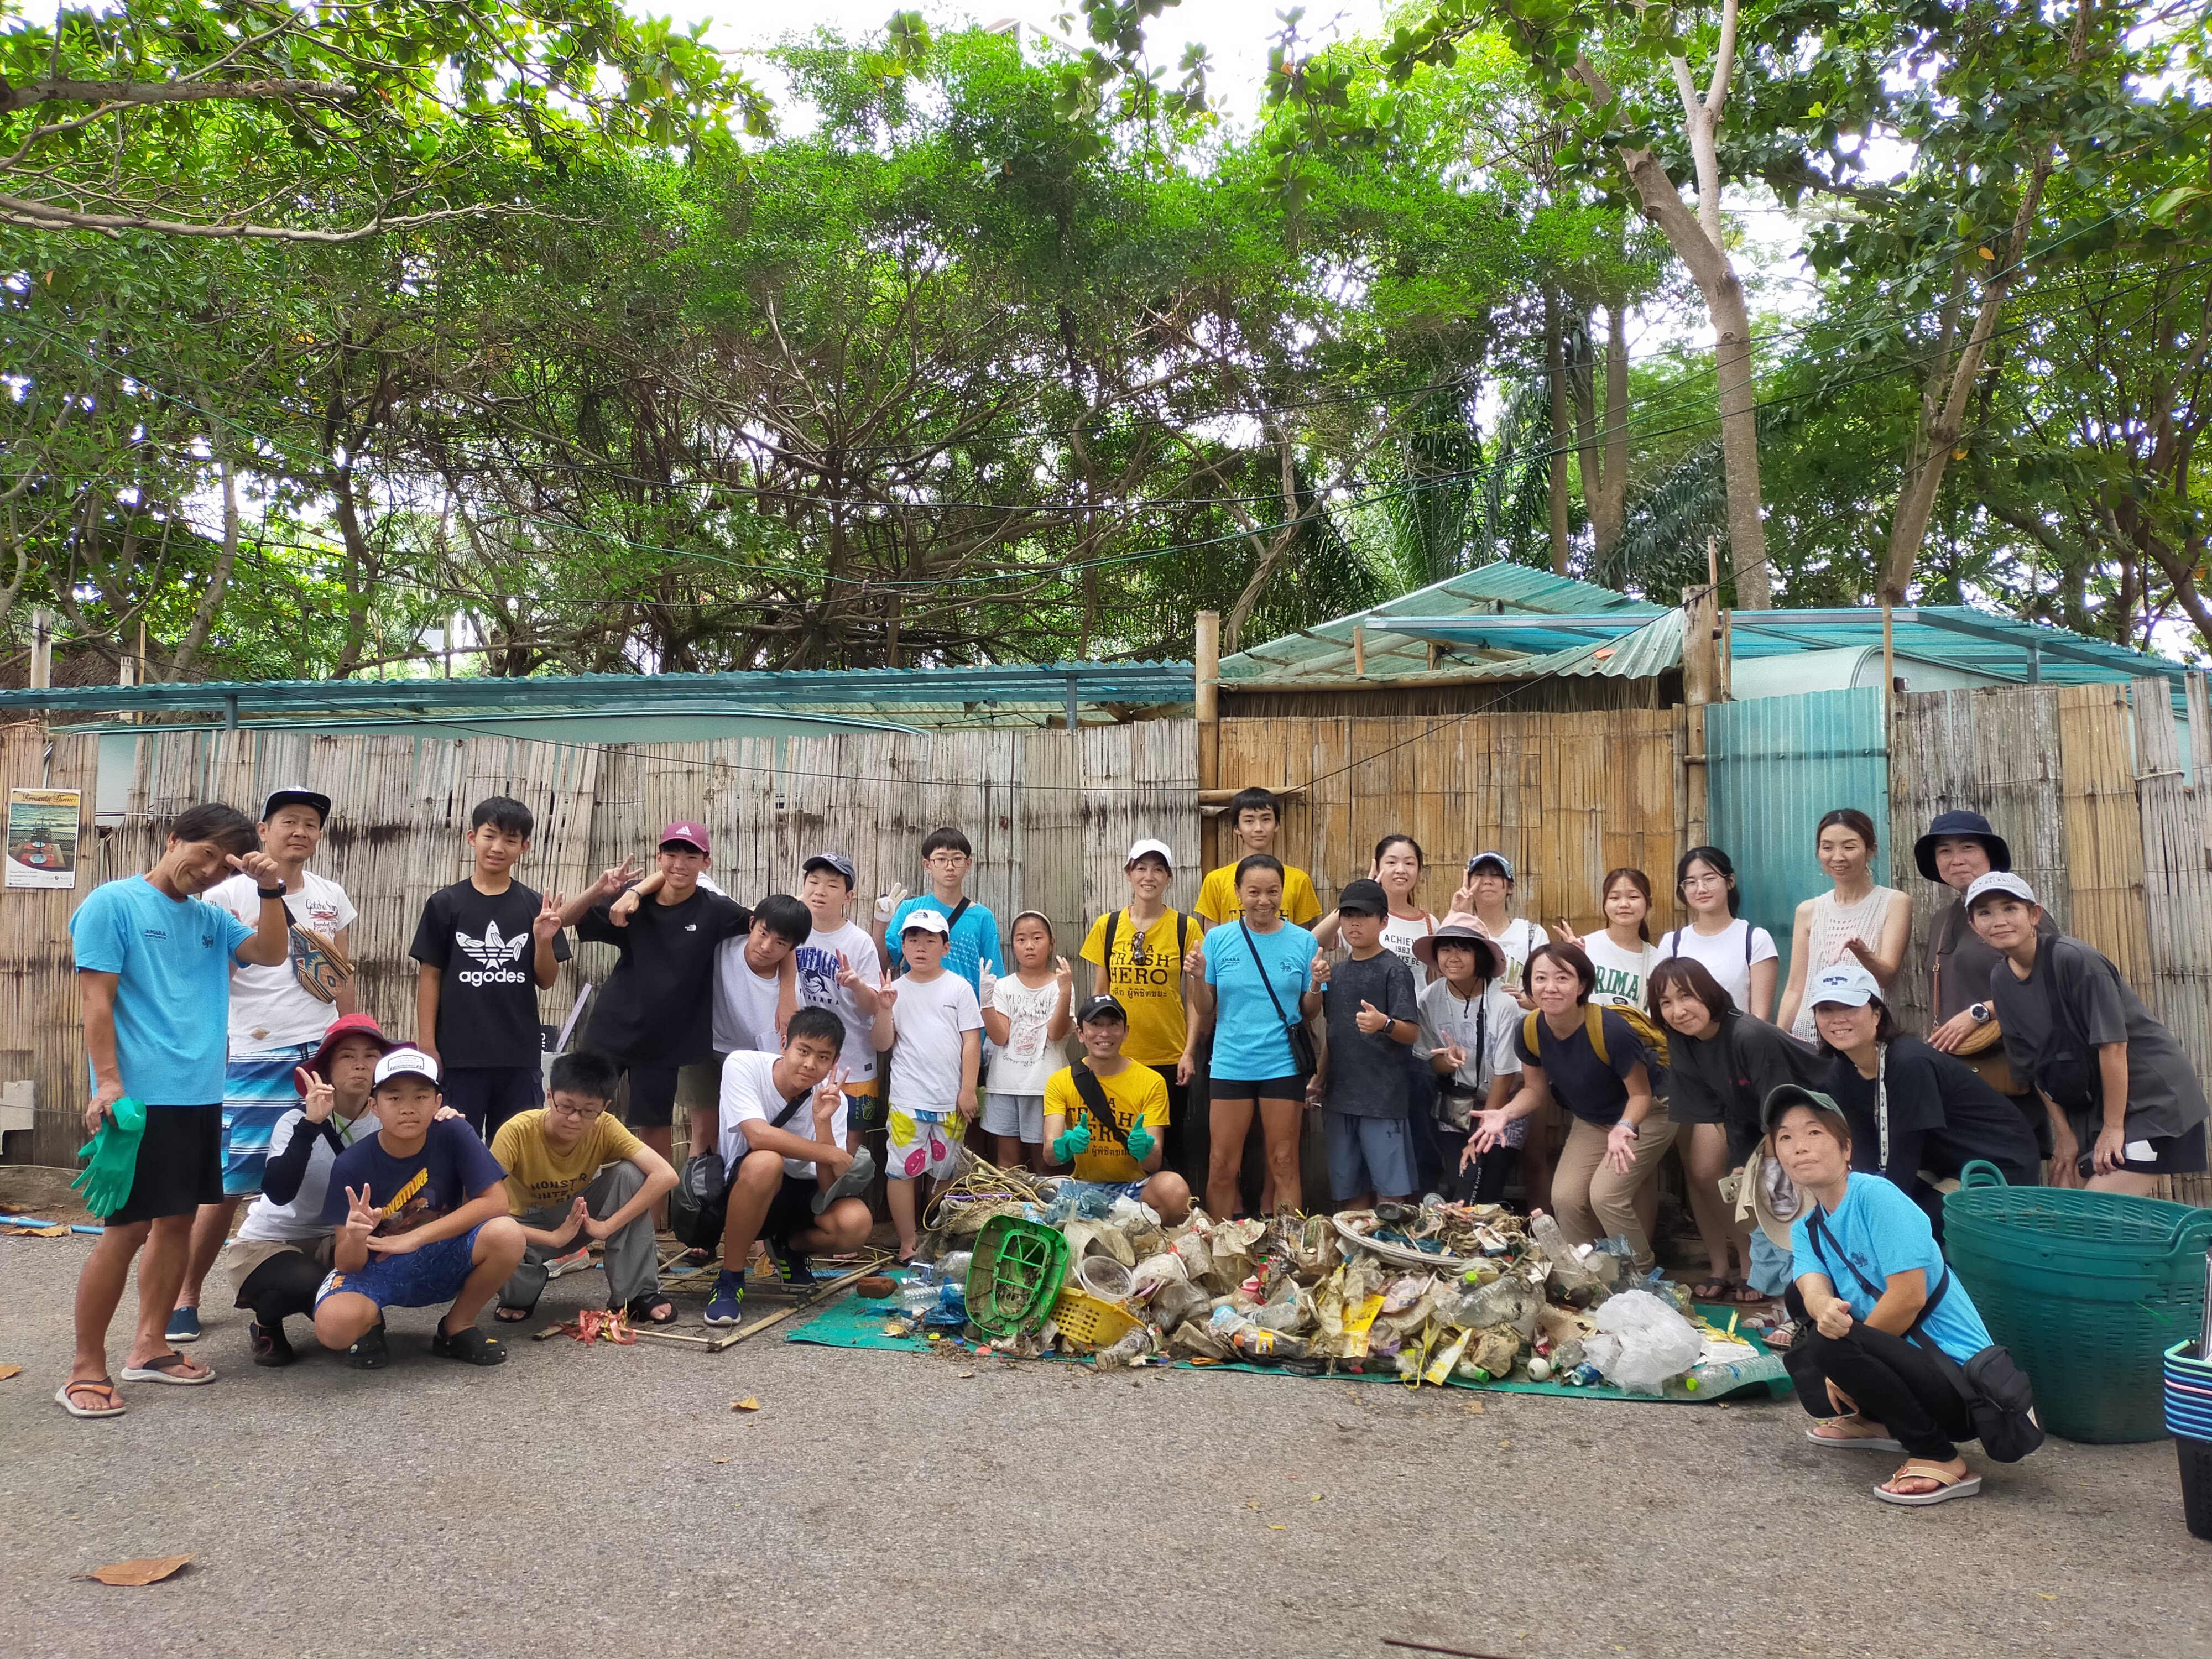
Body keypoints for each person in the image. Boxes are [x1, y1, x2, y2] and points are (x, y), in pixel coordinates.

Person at [58, 804, 293, 1417]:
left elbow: (271, 954)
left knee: (176, 1224)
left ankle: (151, 1347)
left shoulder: (213, 920)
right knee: (126, 1230)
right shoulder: (114, 904)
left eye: (223, 862)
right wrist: (107, 1084)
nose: (210, 869)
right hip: (139, 1099)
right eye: (205, 852)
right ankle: (85, 1367)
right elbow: (96, 1001)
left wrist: (270, 889)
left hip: (201, 1094)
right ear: (174, 839)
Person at [172, 784, 359, 1343]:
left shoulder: (331, 896)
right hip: (255, 1054)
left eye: (310, 824)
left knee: (336, 1172)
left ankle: (336, 1287)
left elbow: (339, 976)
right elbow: (210, 979)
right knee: (231, 1184)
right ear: (263, 830)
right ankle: (186, 1295)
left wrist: (355, 1041)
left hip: (320, 1055)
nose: (300, 831)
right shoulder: (226, 896)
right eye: (288, 821)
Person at [1768, 1087, 2000, 1506]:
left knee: (1830, 1346)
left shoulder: (1876, 1196)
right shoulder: (1810, 1227)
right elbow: (1809, 1284)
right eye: (1785, 1138)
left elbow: (1909, 1298)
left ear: (1846, 1148)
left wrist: (1844, 1365)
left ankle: (1939, 1456)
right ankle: (1880, 1421)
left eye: (1814, 1132)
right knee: (1809, 1311)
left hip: (1961, 1385)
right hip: (1910, 1368)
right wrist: (1824, 1308)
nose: (1799, 1146)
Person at [1970, 872, 2211, 1193]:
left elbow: (2113, 1046)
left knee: (2094, 1210)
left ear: (2034, 915)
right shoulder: (2000, 979)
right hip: (2091, 1108)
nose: (1998, 920)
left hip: (2150, 1100)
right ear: (1974, 926)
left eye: (2010, 908)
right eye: (1985, 913)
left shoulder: (2075, 958)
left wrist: (2113, 1128)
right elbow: (2035, 1068)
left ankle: (2191, 1246)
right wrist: (2067, 1137)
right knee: (2071, 1209)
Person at [559, 822, 752, 1201]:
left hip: (666, 1040)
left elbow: (767, 925)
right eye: (672, 853)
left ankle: (654, 1227)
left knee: (655, 1128)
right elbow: (564, 920)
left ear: (706, 862)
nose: (680, 863)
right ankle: (566, 1210)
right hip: (611, 1029)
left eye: (691, 855)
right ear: (659, 857)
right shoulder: (632, 905)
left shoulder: (714, 910)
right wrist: (604, 888)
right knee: (578, 1113)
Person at [313, 1048, 528, 1369]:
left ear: (438, 1102)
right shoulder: (351, 1165)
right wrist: (356, 1237)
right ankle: (370, 1325)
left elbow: (497, 1202)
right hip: (377, 1267)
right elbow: (347, 1263)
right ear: (374, 1106)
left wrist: (415, 1238)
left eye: (421, 1097)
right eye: (395, 1099)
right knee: (335, 1328)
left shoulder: (454, 1132)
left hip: (440, 1254)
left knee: (507, 1234)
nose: (408, 1109)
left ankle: (457, 1327)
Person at [1469, 941, 1674, 1271]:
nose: (1550, 987)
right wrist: (1505, 1113)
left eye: (1562, 978)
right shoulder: (1530, 1029)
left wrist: (1624, 1128)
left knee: (1606, 1196)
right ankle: (1587, 1272)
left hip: (1648, 1113)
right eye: (1540, 978)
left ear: (1581, 986)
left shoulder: (1611, 1030)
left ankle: (1643, 1275)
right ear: (1529, 986)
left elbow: (1641, 1096)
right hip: (1593, 1120)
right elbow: (1536, 1091)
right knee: (1564, 1198)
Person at [1806, 962, 2041, 1225]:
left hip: (1996, 1164)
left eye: (1849, 1006)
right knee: (1856, 1215)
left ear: (1877, 1014)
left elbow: (1904, 1155)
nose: (1838, 1018)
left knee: (1906, 1225)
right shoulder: (1840, 1072)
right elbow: (1865, 1155)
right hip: (1937, 1164)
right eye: (1826, 1009)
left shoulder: (1909, 1063)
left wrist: (1875, 1218)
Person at [220, 1013, 395, 1367]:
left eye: (371, 1056)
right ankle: (265, 1322)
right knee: (313, 1285)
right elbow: (279, 1192)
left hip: (341, 1239)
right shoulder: (293, 1121)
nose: (360, 1066)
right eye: (347, 1056)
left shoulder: (388, 1122)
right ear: (327, 1071)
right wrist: (311, 1125)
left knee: (369, 1322)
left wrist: (444, 1118)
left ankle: (346, 1311)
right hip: (271, 1245)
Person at [1652, 957, 1827, 1302]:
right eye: (1666, 1002)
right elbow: (1722, 1110)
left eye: (1686, 996)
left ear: (1709, 993)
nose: (1678, 1010)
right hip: (1757, 1123)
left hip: (1815, 1113)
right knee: (1753, 1193)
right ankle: (1775, 1284)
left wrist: (1762, 1164)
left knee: (1788, 1200)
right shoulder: (1683, 1042)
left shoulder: (1748, 1034)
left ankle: (1803, 1296)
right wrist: (1741, 1161)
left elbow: (1782, 1106)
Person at [409, 795, 571, 1139]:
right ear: (472, 837)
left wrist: (543, 940)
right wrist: (428, 1045)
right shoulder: (444, 904)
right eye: (490, 835)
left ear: (524, 847)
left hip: (518, 1056)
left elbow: (546, 980)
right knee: (454, 1145)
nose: (498, 847)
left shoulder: (533, 906)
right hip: (459, 1056)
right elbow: (430, 975)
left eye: (510, 840)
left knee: (513, 1152)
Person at [706, 1009, 876, 1325]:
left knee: (857, 1222)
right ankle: (730, 1279)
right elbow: (758, 1135)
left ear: (835, 1060)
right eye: (804, 1051)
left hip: (802, 1196)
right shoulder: (743, 1065)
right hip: (748, 1188)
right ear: (784, 1043)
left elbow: (827, 1188)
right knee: (767, 1161)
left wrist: (823, 1122)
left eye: (823, 1057)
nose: (811, 1064)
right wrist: (833, 1154)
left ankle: (787, 1248)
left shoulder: (834, 1099)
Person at [491, 1050, 679, 1327]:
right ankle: (521, 1291)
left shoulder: (606, 1127)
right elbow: (482, 1209)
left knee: (630, 1174)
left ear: (605, 1107)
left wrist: (607, 1227)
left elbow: (666, 1175)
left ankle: (637, 1293)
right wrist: (554, 1238)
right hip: (524, 1226)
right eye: (566, 1106)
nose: (575, 1119)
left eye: (588, 1111)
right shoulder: (516, 1132)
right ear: (549, 1096)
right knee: (493, 1232)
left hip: (576, 1218)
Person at [1912, 810, 2056, 1154]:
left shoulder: (2016, 915)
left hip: (2010, 1074)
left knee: (2009, 1186)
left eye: (1968, 847)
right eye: (1944, 851)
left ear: (1990, 856)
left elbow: (2051, 987)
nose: (1956, 859)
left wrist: (1982, 1012)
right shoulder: (1942, 920)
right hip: (1957, 1075)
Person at [1191, 854, 1321, 1218]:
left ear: (1284, 893)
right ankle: (1220, 1253)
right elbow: (1205, 1007)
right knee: (1221, 1164)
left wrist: (1317, 984)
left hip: (1282, 1064)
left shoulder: (1303, 942)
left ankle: (1288, 1251)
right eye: (1254, 892)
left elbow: (1310, 1011)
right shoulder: (1217, 940)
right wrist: (1198, 977)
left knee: (1284, 1162)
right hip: (1231, 1063)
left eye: (1272, 892)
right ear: (1237, 893)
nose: (1264, 900)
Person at [1308, 879, 1421, 1210]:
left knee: (1390, 1190)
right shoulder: (1336, 973)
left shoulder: (1395, 969)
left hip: (1383, 1099)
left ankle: (1389, 1254)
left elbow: (1412, 1032)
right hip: (1340, 1096)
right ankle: (1358, 1258)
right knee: (1348, 1189)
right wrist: (1320, 1077)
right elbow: (1334, 1031)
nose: (1355, 923)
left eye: (1365, 915)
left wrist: (1384, 1024)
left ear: (1384, 921)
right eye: (1348, 915)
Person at [882, 908, 983, 1259]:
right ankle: (908, 1243)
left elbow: (972, 1041)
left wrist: (967, 1089)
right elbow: (882, 1043)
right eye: (913, 940)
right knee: (901, 1169)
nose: (920, 947)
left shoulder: (958, 987)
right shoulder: (894, 991)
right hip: (908, 1097)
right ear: (903, 946)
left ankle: (937, 1236)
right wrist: (883, 1009)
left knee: (944, 1171)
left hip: (949, 1098)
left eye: (930, 940)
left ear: (946, 947)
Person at [1043, 995, 1191, 1223]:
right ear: (1081, 1033)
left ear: (1126, 1032)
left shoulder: (1151, 1082)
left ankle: (1145, 1237)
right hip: (1082, 1186)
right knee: (1035, 1189)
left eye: (1113, 1024)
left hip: (1133, 1189)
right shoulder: (1060, 1081)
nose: (1105, 1033)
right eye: (1096, 1024)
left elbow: (1153, 1162)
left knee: (1175, 1190)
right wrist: (1065, 1145)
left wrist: (1145, 1149)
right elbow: (1050, 1156)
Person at [1776, 808, 1911, 1040]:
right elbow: (1795, 988)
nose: (1837, 857)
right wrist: (1778, 1040)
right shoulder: (1809, 910)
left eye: (1849, 847)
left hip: (1866, 1041)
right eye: (1827, 847)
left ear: (1871, 851)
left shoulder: (1895, 903)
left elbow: (1886, 977)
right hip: (1810, 1038)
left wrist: (1861, 951)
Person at [1412, 924, 1524, 1203]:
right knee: (1460, 1189)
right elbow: (1431, 1062)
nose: (1453, 957)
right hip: (1456, 1107)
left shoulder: (1504, 1003)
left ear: (1481, 957)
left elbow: (1506, 1073)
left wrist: (1485, 1129)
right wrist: (1447, 1062)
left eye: (1464, 949)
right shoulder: (1429, 999)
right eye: (1446, 949)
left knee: (1487, 1193)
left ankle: (1492, 1245)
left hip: (1501, 1105)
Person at [1081, 839, 1200, 1101]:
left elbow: (1193, 999)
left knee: (1165, 1141)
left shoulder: (1185, 927)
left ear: (1169, 877)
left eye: (1158, 869)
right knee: (1117, 1138)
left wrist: (1188, 1053)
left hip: (1168, 1056)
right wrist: (1094, 1050)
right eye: (1141, 868)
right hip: (1114, 1052)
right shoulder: (1107, 926)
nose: (1149, 877)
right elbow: (1100, 992)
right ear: (1129, 874)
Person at [791, 852, 894, 1151]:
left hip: (853, 1065)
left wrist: (856, 984)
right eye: (813, 882)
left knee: (848, 1149)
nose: (820, 891)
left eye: (832, 886)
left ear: (848, 896)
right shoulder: (792, 932)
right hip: (803, 1062)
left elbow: (875, 1007)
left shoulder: (859, 941)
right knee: (801, 1143)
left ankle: (845, 1198)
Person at [981, 911, 1074, 1170]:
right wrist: (986, 1002)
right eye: (1021, 940)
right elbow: (1000, 1037)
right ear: (1013, 946)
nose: (1029, 946)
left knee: (1045, 1161)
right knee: (1007, 1163)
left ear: (1051, 943)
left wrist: (1065, 991)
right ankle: (1011, 1210)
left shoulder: (1060, 985)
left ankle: (1042, 1210)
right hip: (1004, 1085)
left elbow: (1056, 1033)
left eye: (1037, 938)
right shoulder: (1003, 986)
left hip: (1046, 1087)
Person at [874, 826, 1004, 995]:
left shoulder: (982, 917)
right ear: (927, 865)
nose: (950, 867)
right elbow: (881, 962)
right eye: (941, 860)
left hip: (967, 1014)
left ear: (968, 864)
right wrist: (880, 922)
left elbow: (995, 978)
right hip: (917, 1009)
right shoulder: (910, 909)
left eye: (957, 859)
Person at [1656, 846, 1780, 1022]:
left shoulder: (1755, 940)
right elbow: (1664, 1007)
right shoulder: (1672, 944)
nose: (1701, 889)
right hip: (1686, 1046)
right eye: (1691, 882)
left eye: (1710, 879)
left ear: (1730, 881)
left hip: (1739, 1046)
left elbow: (1760, 1018)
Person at [1193, 787, 1322, 930]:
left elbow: (1302, 941)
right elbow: (1212, 943)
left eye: (1266, 819)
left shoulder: (1299, 880)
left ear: (1277, 825)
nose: (1258, 828)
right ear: (1237, 827)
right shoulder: (1216, 881)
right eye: (1249, 821)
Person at [1446, 851, 1543, 1000]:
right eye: (1479, 875)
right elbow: (1441, 969)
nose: (1487, 881)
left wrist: (1522, 1000)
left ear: (1510, 888)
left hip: (1521, 1021)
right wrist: (1456, 912)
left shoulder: (1533, 934)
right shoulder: (1464, 934)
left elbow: (1546, 988)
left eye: (1496, 875)